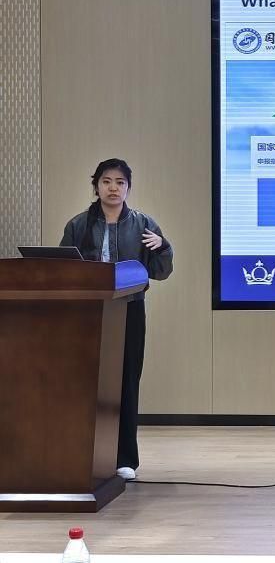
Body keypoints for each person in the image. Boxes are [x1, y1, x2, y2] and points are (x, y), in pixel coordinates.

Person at [60, 158, 174, 481]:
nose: (113, 188)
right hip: (88, 313)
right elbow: (63, 268)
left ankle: (125, 458)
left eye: (120, 182)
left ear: (128, 188)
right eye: (107, 181)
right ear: (96, 186)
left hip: (129, 310)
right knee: (88, 383)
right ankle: (84, 454)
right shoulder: (78, 225)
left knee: (126, 381)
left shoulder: (144, 224)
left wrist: (163, 247)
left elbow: (161, 271)